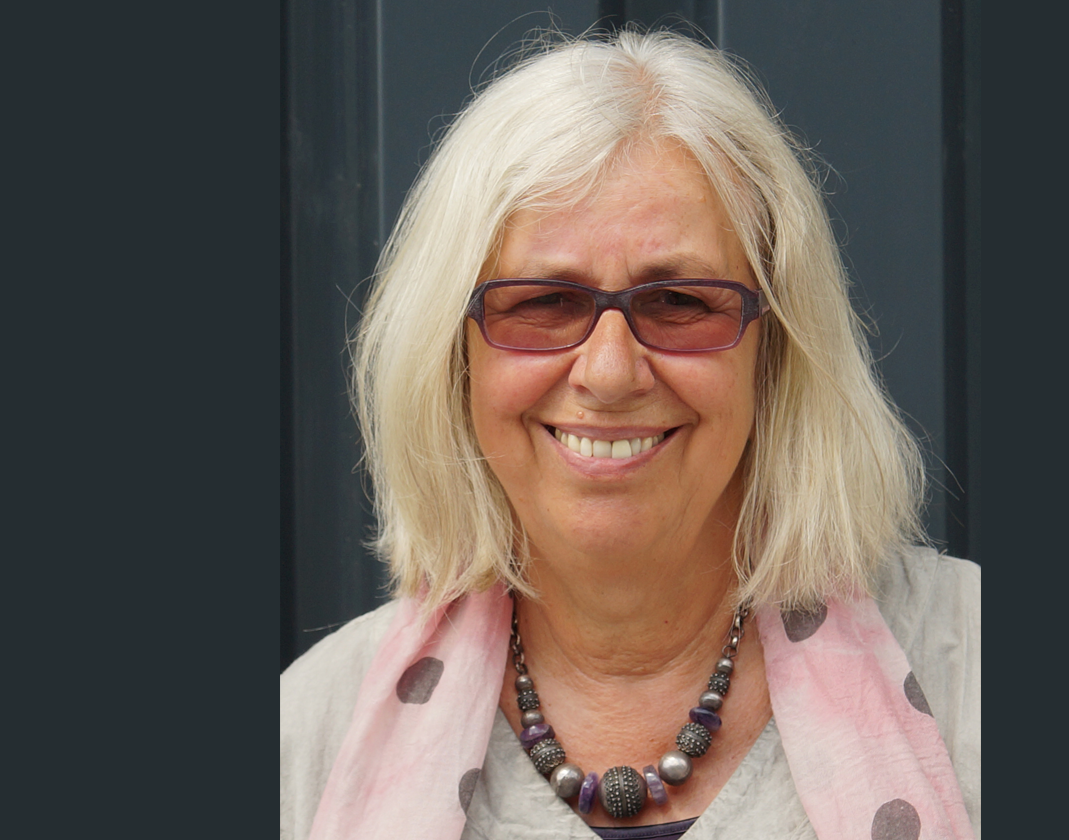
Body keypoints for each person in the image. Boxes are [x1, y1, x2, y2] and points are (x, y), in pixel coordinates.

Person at [281, 28, 980, 840]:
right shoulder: (310, 738)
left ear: (776, 351)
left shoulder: (969, 670)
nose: (610, 373)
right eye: (543, 302)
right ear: (453, 357)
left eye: (680, 302)